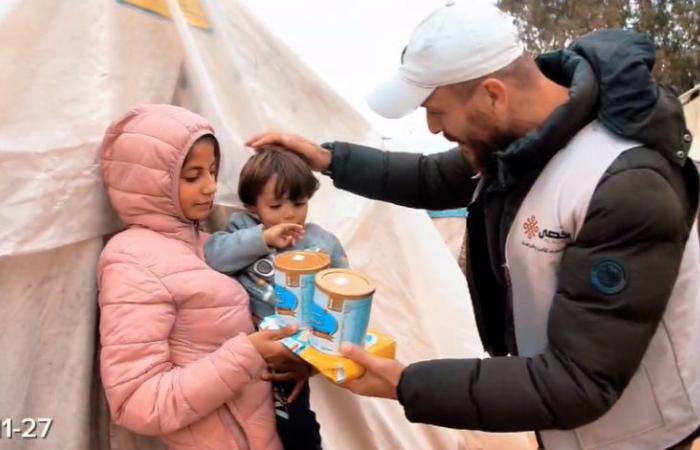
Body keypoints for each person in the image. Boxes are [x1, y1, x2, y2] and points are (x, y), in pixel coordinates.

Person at [246, 2, 700, 449]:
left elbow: (577, 380)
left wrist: (405, 384)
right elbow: (431, 177)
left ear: (493, 95)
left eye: (437, 109)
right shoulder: (521, 147)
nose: (433, 126)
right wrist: (328, 160)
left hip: (648, 432)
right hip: (566, 424)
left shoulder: (624, 186)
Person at [98, 104, 304, 450]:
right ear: (149, 183)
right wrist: (248, 354)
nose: (210, 187)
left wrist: (292, 361)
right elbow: (136, 402)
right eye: (193, 176)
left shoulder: (208, 244)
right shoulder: (131, 259)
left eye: (212, 171)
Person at [205, 147, 350, 450]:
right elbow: (214, 257)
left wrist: (310, 363)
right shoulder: (242, 230)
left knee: (293, 420)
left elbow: (342, 297)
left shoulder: (321, 241)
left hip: (292, 353)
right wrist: (263, 238)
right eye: (275, 205)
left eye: (299, 203)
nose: (289, 214)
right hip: (239, 348)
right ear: (252, 206)